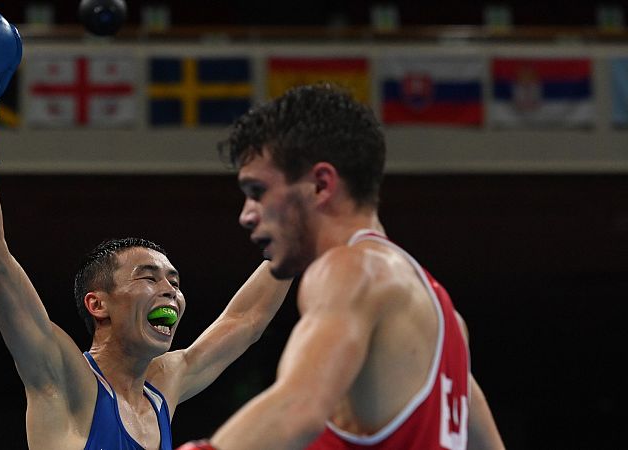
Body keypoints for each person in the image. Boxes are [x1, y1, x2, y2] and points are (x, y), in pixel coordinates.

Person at [0, 6, 292, 450]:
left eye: (174, 281)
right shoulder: (64, 379)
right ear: (98, 304)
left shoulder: (163, 388)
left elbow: (245, 319)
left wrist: (295, 235)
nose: (170, 291)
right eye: (148, 277)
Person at [177, 84, 505, 450]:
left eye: (257, 191)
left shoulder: (350, 269)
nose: (246, 215)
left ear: (320, 185)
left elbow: (297, 410)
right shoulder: (447, 322)